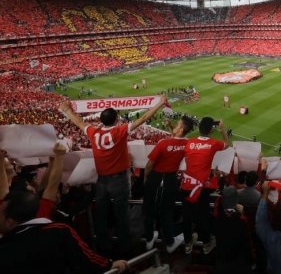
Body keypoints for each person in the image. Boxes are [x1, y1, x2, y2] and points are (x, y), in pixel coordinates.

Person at [59, 96, 167, 257]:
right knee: (121, 216)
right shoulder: (119, 130)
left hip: (101, 181)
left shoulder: (93, 132)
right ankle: (126, 251)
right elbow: (144, 118)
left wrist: (67, 109)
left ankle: (104, 250)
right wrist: (159, 103)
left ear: (101, 121)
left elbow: (79, 122)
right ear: (116, 119)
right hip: (119, 180)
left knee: (101, 216)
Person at [0, 190, 128, 273]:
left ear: (10, 221)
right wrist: (109, 265)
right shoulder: (59, 230)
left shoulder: (6, 245)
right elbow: (86, 258)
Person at [143, 115, 194, 253]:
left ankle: (149, 240)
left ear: (181, 129)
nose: (175, 126)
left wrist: (145, 178)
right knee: (167, 212)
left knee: (149, 209)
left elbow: (149, 165)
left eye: (177, 124)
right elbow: (177, 138)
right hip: (171, 180)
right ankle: (170, 243)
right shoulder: (187, 144)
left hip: (155, 177)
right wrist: (171, 127)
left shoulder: (162, 144)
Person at [181, 116, 230, 255]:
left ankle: (188, 243)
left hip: (186, 184)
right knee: (203, 215)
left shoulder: (189, 143)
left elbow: (187, 158)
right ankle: (207, 242)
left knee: (187, 216)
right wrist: (222, 129)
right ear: (211, 130)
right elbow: (227, 144)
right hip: (201, 188)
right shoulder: (213, 143)